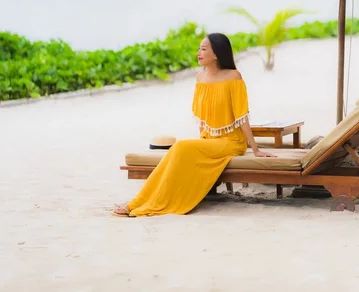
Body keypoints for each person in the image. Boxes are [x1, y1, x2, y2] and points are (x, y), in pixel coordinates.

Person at [112, 32, 277, 217]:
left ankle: (140, 203)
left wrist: (255, 149)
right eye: (199, 48)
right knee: (175, 151)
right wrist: (202, 142)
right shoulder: (200, 78)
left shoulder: (233, 76)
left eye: (204, 49)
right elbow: (203, 119)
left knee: (181, 146)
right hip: (209, 141)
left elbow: (242, 117)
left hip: (231, 142)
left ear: (216, 54)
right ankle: (138, 201)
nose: (198, 52)